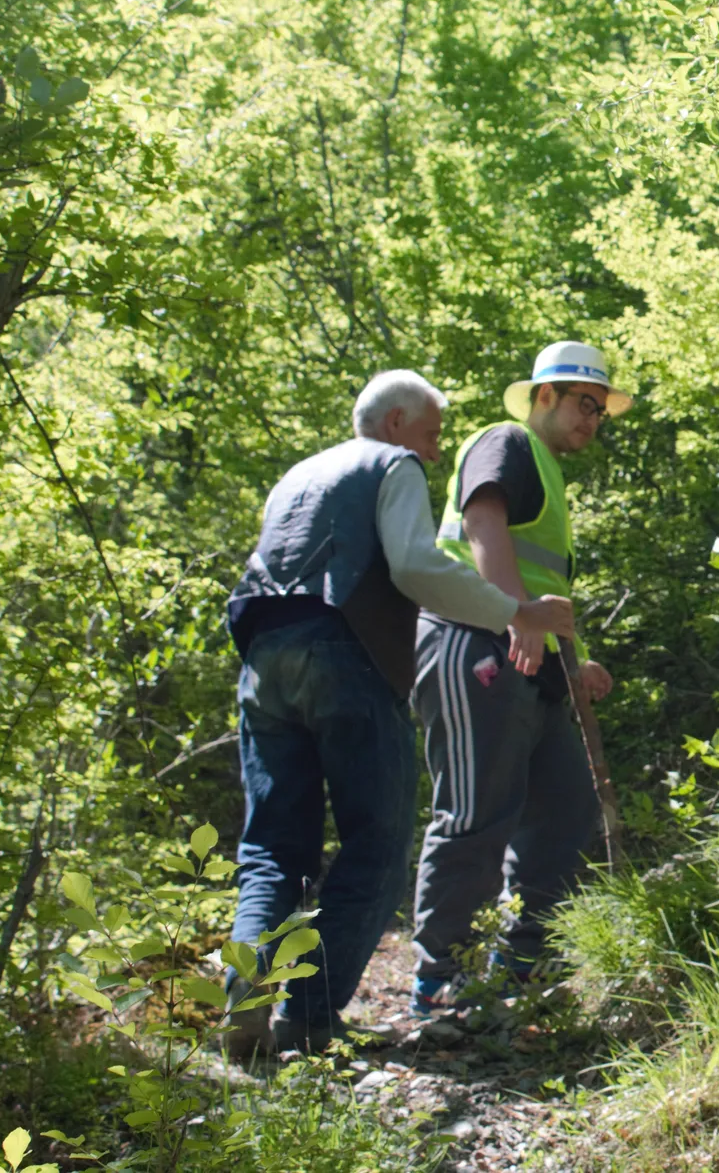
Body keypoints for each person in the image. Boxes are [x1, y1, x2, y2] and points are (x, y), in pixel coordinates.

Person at [223, 370, 576, 1058]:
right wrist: (515, 612)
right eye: (433, 433)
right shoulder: (393, 464)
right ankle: (309, 1017)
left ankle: (244, 999)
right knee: (375, 843)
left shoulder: (298, 475)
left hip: (262, 655)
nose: (437, 452)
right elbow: (416, 567)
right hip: (346, 654)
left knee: (271, 847)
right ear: (394, 425)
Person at [407, 341, 628, 1016]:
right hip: (475, 642)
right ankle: (438, 981)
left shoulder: (552, 477)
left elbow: (543, 583)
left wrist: (576, 655)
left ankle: (518, 965)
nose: (592, 419)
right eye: (582, 404)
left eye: (600, 410)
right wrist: (514, 616)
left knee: (565, 810)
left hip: (532, 664)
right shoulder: (507, 442)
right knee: (476, 813)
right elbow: (482, 522)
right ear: (543, 398)